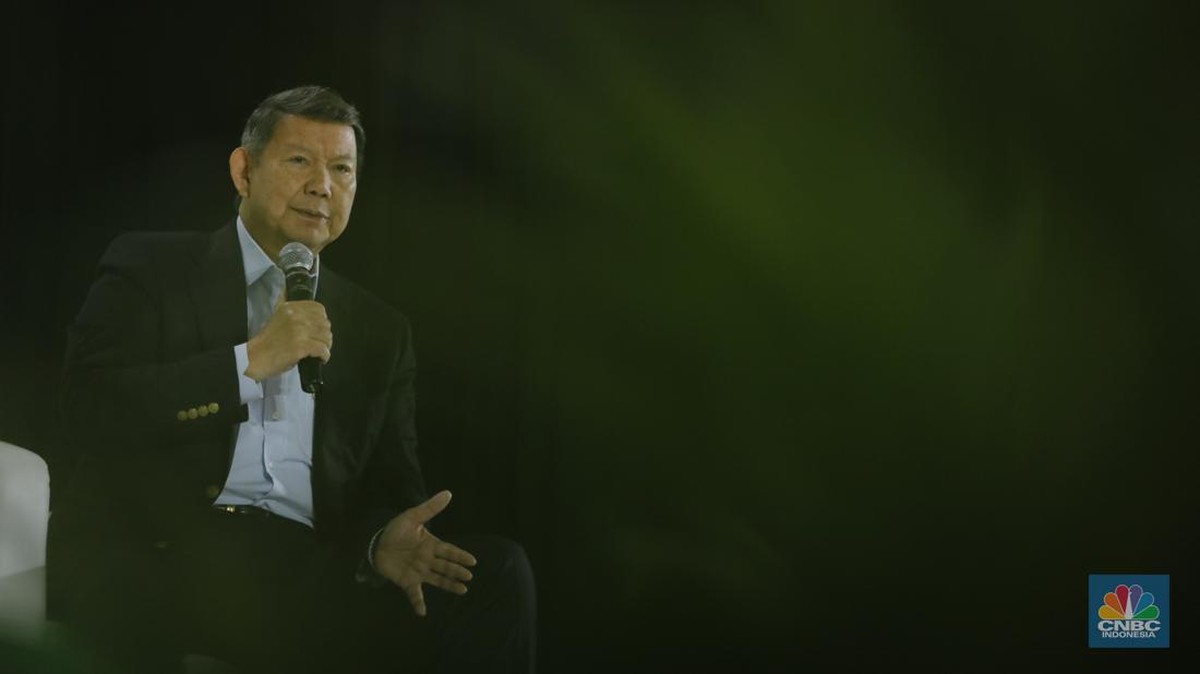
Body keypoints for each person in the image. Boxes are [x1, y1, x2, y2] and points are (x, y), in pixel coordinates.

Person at [47, 85, 536, 673]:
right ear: (244, 171)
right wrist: (249, 362)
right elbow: (89, 408)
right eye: (300, 160)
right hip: (162, 550)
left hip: (298, 573)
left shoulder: (380, 331)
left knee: (497, 575)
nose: (322, 186)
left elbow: (390, 485)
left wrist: (380, 539)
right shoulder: (154, 267)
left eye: (342, 169)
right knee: (135, 599)